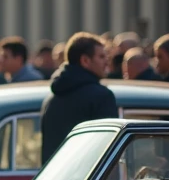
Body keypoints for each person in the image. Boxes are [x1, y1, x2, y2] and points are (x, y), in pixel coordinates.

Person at [40, 32, 118, 163]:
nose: (107, 61)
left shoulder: (50, 99)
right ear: (85, 61)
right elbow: (108, 151)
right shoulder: (102, 97)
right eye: (101, 56)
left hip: (56, 174)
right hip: (89, 174)